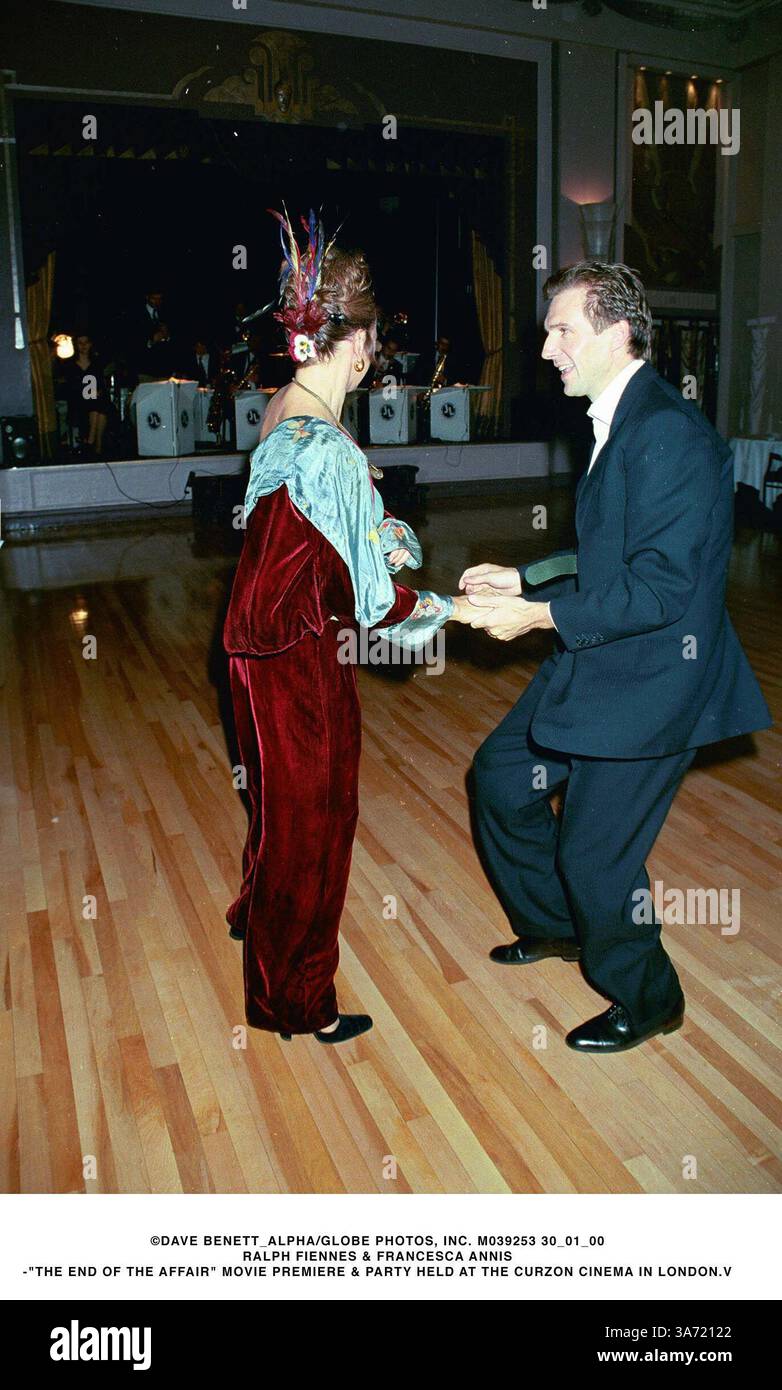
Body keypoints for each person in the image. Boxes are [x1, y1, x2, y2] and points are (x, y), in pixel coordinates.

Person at [461, 260, 771, 1054]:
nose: (546, 349)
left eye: (562, 330)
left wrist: (534, 615)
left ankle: (650, 997)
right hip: (602, 651)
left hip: (655, 680)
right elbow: (613, 554)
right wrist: (527, 574)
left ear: (616, 330)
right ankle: (559, 928)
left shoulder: (668, 432)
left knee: (595, 856)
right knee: (500, 779)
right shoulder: (620, 416)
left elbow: (661, 590)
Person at [223, 209, 474, 1044]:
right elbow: (382, 612)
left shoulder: (283, 412)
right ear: (361, 344)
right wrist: (455, 613)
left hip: (252, 650)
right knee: (320, 826)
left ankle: (256, 918)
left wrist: (379, 533)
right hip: (301, 658)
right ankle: (296, 1001)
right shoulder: (329, 446)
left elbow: (301, 531)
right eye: (376, 344)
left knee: (277, 811)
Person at [62, 332, 111, 458]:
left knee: (99, 406)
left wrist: (97, 392)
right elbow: (71, 387)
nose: (83, 346)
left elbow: (100, 384)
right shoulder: (70, 365)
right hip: (78, 401)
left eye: (86, 343)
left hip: (93, 398)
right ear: (76, 345)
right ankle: (93, 442)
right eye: (80, 343)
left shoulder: (96, 363)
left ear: (90, 345)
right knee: (97, 406)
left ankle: (94, 443)